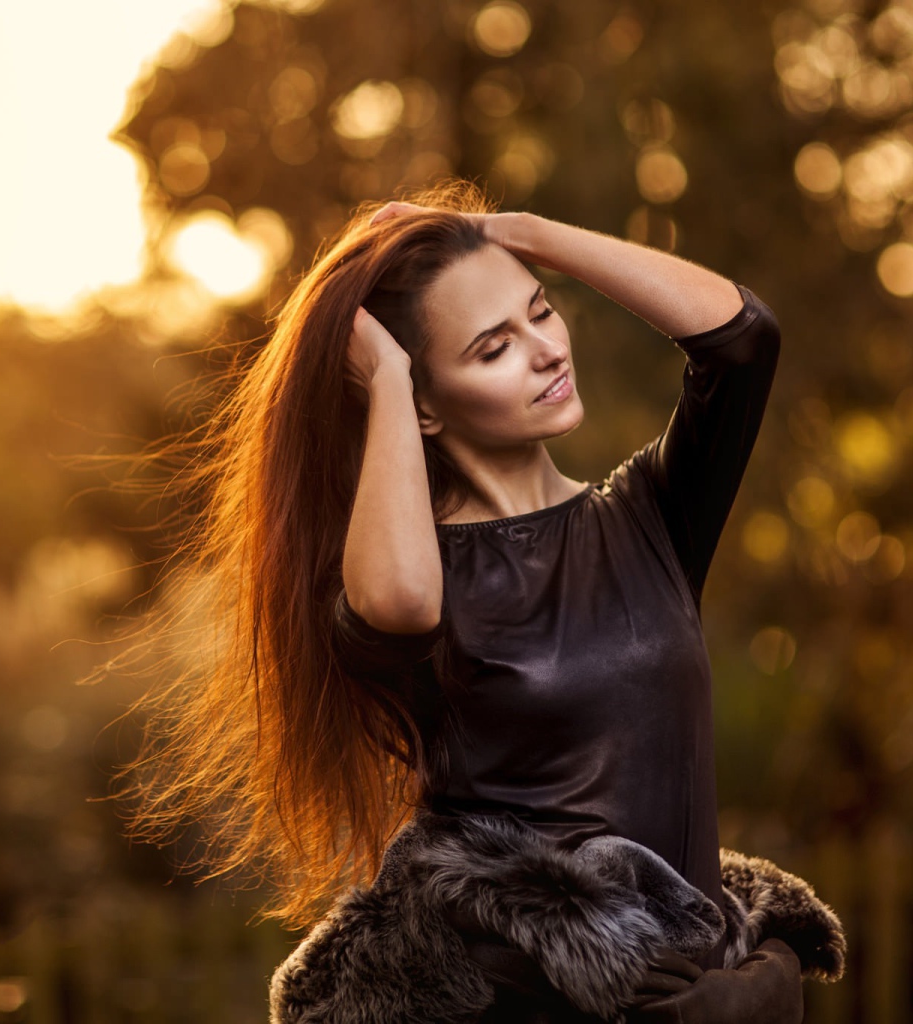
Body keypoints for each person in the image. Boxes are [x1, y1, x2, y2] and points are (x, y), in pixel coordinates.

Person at [115, 180, 844, 1022]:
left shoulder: (651, 517)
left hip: (686, 984)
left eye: (542, 311)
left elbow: (742, 340)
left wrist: (520, 232)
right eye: (494, 346)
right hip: (511, 1000)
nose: (546, 350)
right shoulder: (395, 570)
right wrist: (387, 378)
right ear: (426, 404)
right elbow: (399, 600)